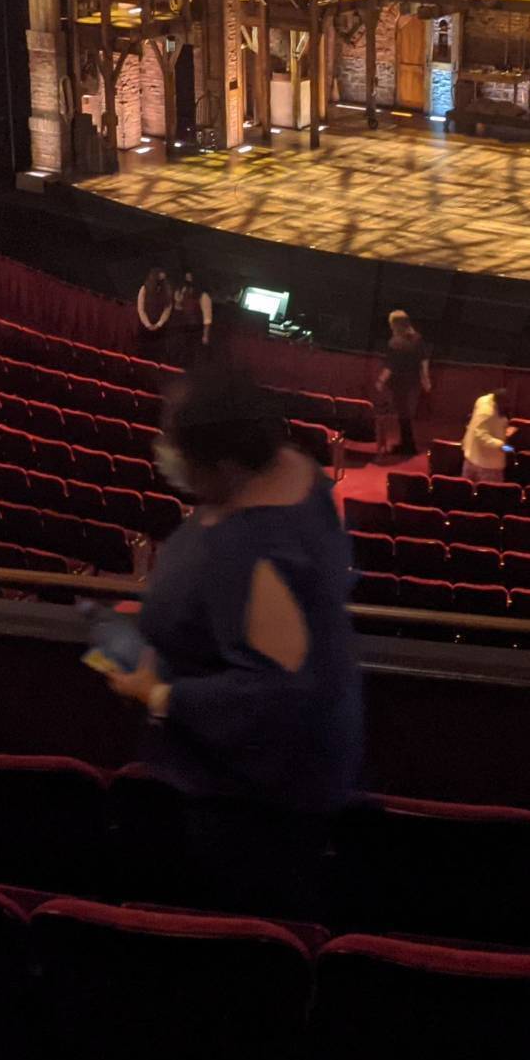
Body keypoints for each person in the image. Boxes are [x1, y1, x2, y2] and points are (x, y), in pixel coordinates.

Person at [100, 368, 364, 917]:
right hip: (270, 784)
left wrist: (159, 694)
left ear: (223, 464)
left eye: (176, 448)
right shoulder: (294, 473)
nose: (162, 455)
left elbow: (277, 691)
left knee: (244, 931)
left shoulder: (254, 552)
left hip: (251, 802)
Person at [376, 310, 432, 459]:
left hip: (399, 384)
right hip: (413, 383)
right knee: (406, 415)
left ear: (395, 325)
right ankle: (407, 444)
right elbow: (424, 360)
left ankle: (408, 446)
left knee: (403, 415)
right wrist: (426, 379)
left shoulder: (395, 343)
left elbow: (390, 366)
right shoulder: (417, 339)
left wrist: (380, 381)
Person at [462, 387, 513, 484]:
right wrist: (502, 445)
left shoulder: (482, 400)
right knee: (489, 495)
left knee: (467, 492)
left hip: (471, 458)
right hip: (487, 466)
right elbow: (481, 436)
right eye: (506, 403)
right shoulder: (487, 413)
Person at [167, 270, 213, 367]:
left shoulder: (203, 295)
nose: (188, 279)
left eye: (190, 276)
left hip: (192, 329)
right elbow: (177, 306)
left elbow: (207, 318)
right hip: (178, 326)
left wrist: (205, 335)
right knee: (173, 351)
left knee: (186, 355)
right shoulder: (182, 290)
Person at [135, 267, 175, 358]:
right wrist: (148, 324)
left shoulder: (167, 290)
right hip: (145, 325)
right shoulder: (144, 289)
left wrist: (159, 324)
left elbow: (167, 309)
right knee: (144, 350)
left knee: (158, 351)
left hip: (160, 326)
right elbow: (141, 309)